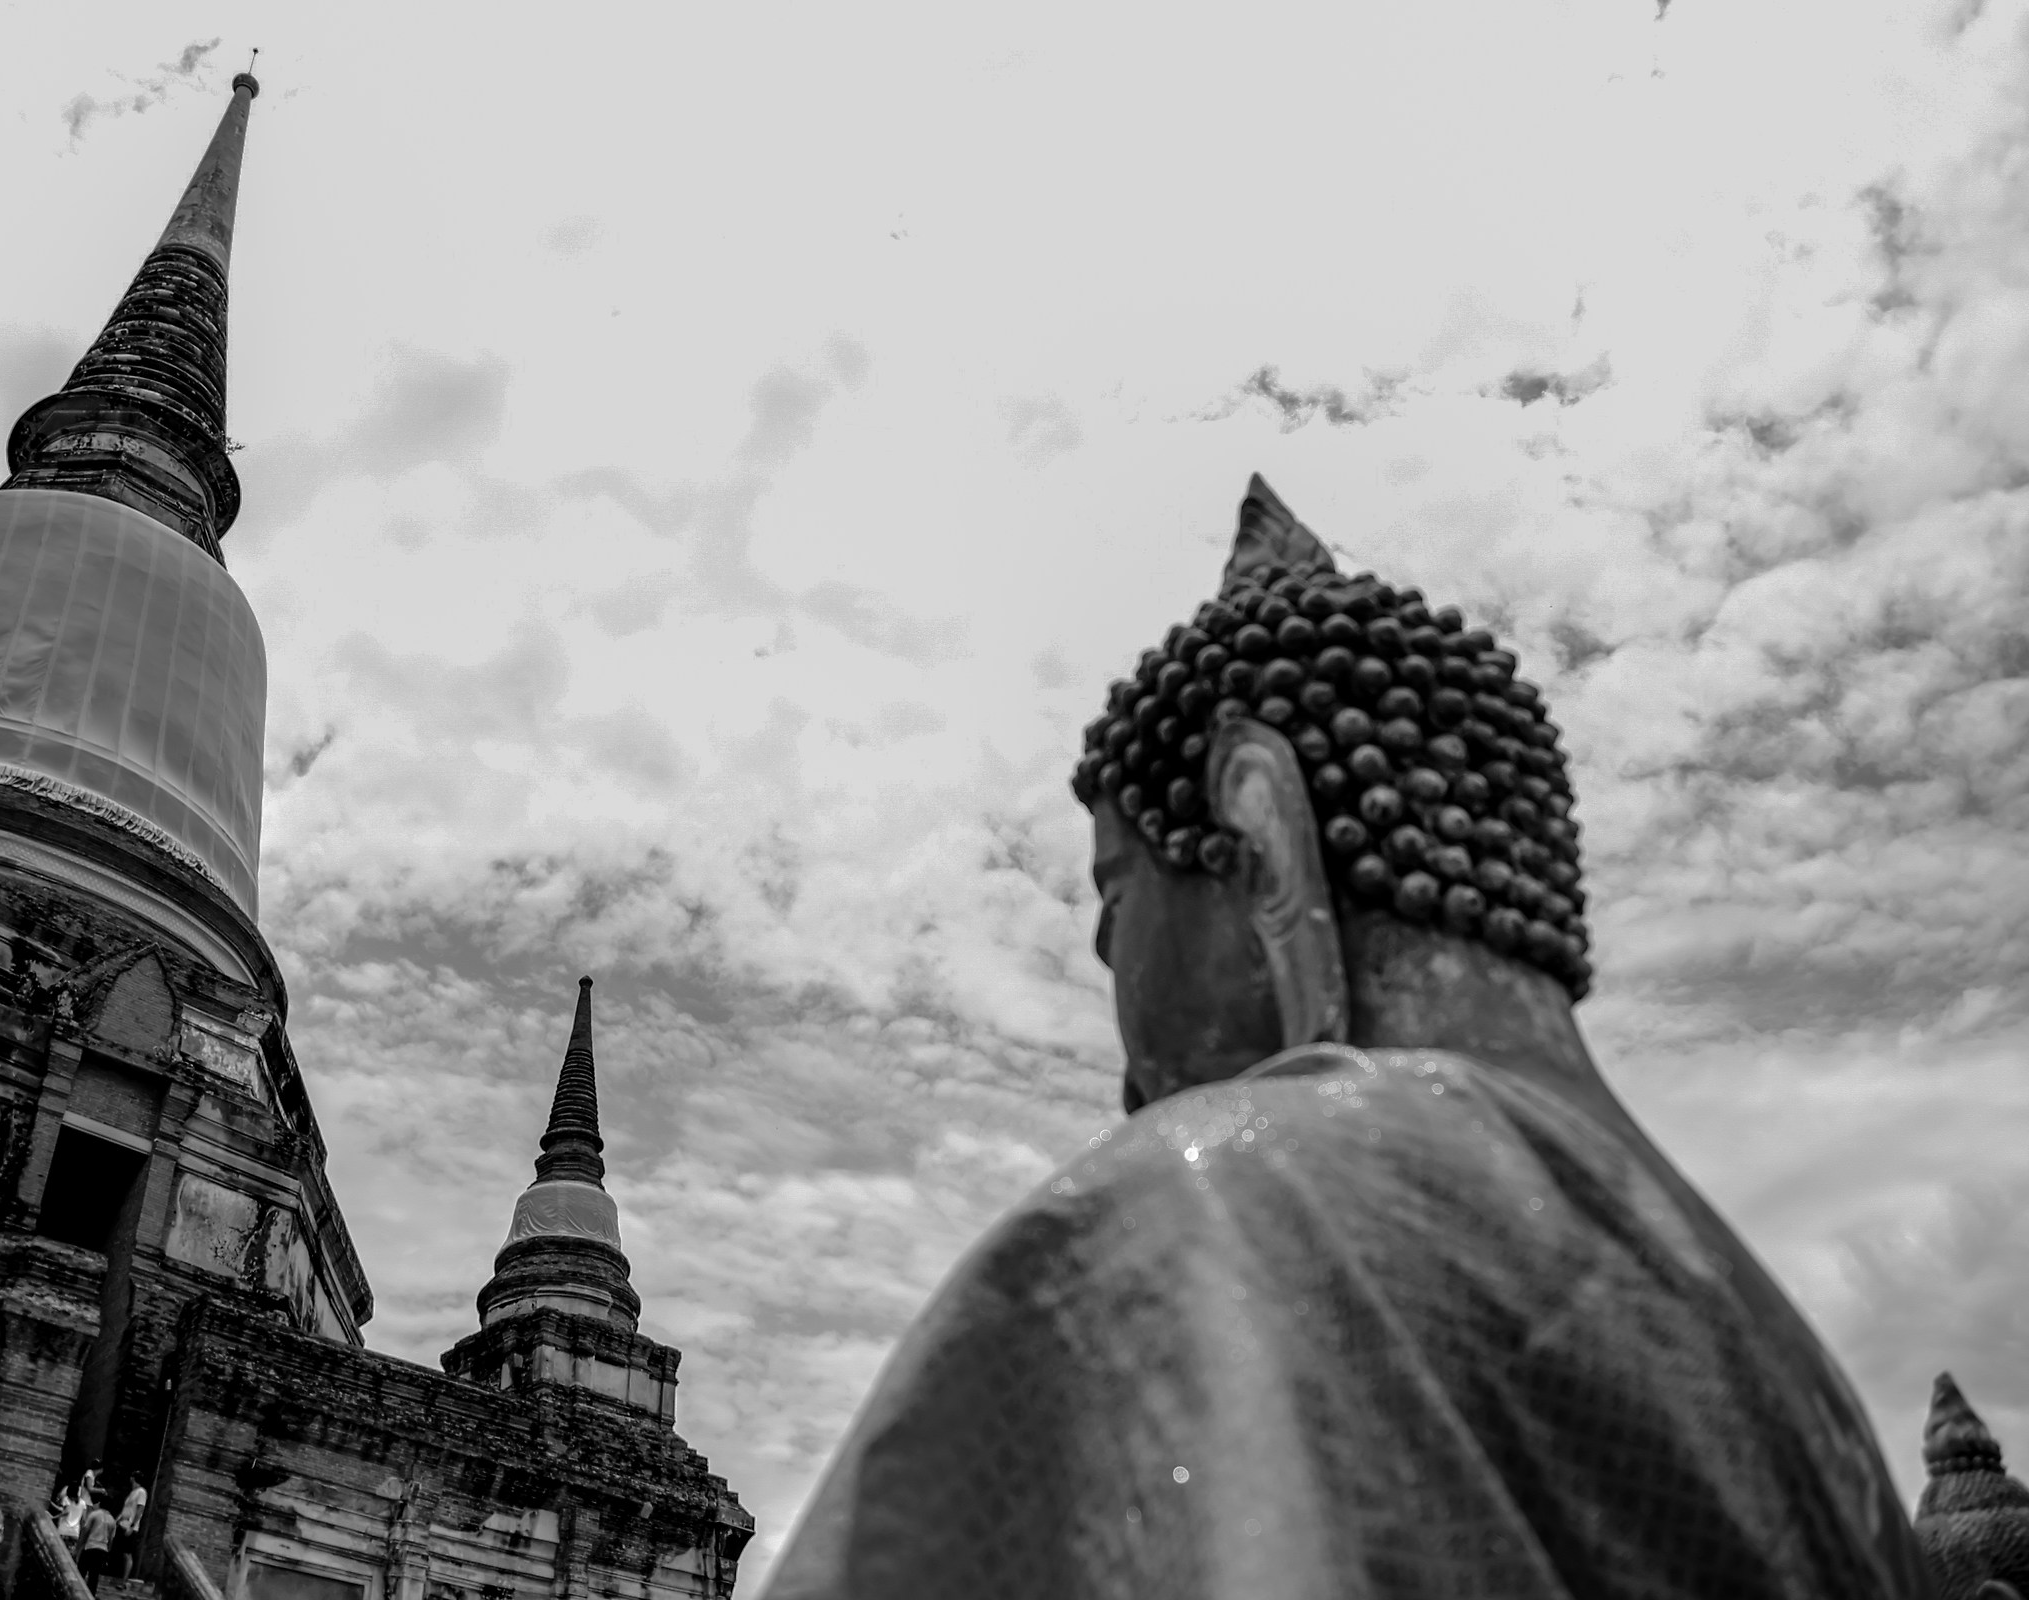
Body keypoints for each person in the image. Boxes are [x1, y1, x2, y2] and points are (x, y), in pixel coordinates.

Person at [763, 476, 1934, 1599]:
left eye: (1116, 892)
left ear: (1261, 837)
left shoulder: (1221, 1205)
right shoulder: (1798, 1375)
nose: (1108, 958)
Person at [78, 1494, 118, 1587]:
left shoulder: (94, 1515)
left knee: (81, 1573)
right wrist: (107, 1552)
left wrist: (78, 1547)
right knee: (94, 1577)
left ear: (100, 1504)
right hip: (102, 1550)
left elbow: (85, 1531)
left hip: (90, 1547)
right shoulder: (112, 1520)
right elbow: (111, 1539)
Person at [117, 1472, 148, 1579]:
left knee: (127, 1554)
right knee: (121, 1553)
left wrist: (132, 1526)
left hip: (130, 1527)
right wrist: (117, 1520)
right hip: (123, 1524)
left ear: (133, 1478)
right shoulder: (132, 1493)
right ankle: (120, 1576)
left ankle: (125, 1579)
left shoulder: (141, 1492)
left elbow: (140, 1510)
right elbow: (126, 1509)